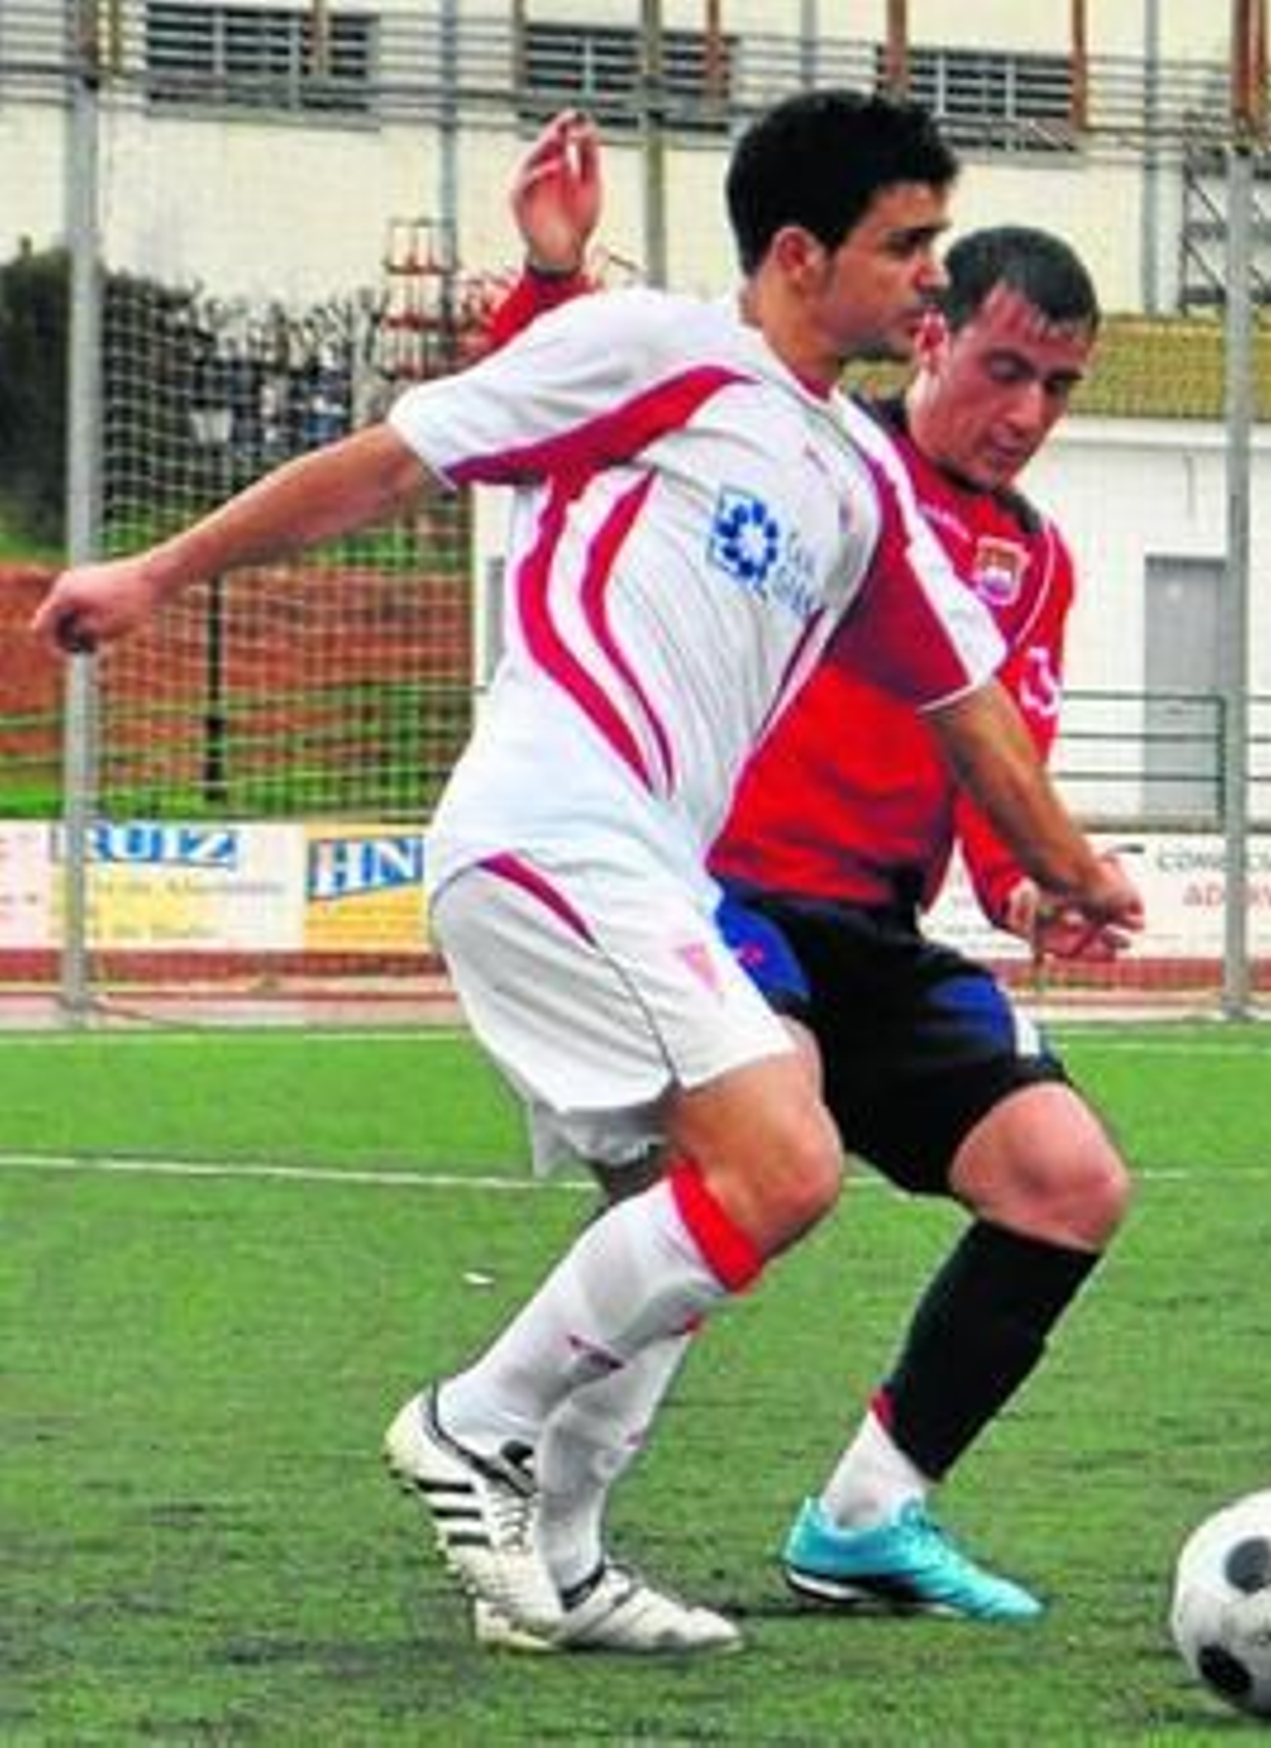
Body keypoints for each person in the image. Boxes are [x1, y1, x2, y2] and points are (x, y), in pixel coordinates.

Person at [33, 90, 1142, 1656]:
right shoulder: (661, 350)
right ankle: (470, 1424)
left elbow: (975, 722)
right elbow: (396, 462)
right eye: (910, 250)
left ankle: (557, 1564)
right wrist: (155, 571)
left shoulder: (859, 486)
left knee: (680, 1200)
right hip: (554, 829)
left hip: (646, 874)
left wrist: (1072, 874)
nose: (928, 284)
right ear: (804, 254)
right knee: (785, 1162)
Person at [476, 113, 1134, 1636]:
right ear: (932, 331)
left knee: (1070, 1183)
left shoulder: (1032, 562)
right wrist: (546, 278)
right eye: (1003, 368)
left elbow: (994, 761)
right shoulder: (806, 450)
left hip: (873, 928)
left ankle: (866, 1518)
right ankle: (537, 1511)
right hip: (716, 899)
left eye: (1060, 389)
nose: (1026, 413)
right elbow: (559, 422)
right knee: (754, 1157)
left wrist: (1032, 888)